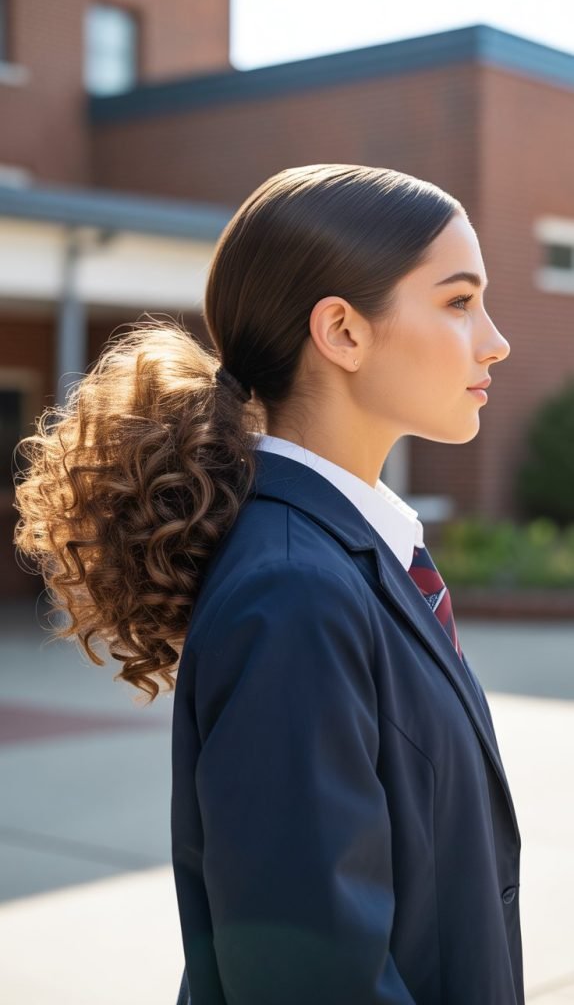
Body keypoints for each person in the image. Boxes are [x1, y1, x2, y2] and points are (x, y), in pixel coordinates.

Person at [12, 163, 523, 1004]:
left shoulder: (346, 557)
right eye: (460, 302)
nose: (494, 339)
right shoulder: (295, 590)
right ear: (343, 332)